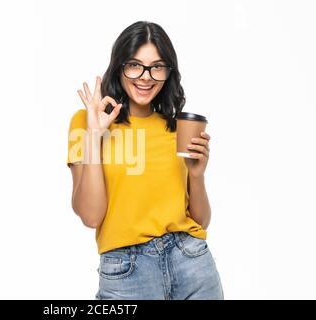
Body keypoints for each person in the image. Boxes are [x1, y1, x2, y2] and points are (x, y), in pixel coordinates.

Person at [66, 21, 224, 300]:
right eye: (135, 65)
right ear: (120, 66)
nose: (146, 77)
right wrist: (93, 136)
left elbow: (201, 221)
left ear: (168, 72)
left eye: (157, 67)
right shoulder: (87, 121)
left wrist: (197, 175)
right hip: (127, 273)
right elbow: (91, 216)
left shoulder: (176, 128)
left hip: (192, 262)